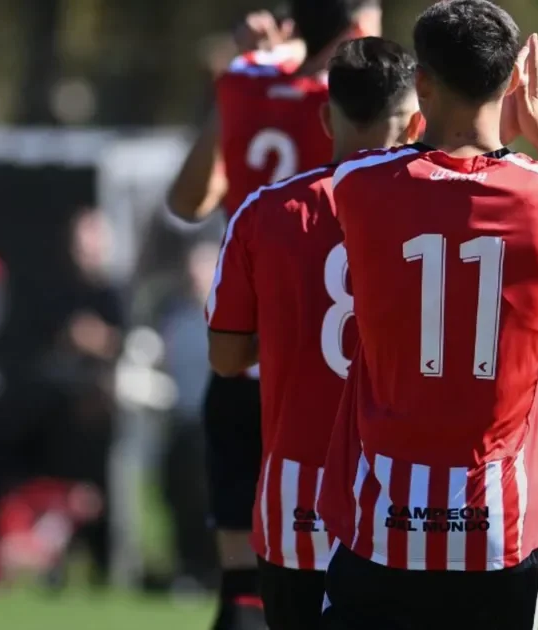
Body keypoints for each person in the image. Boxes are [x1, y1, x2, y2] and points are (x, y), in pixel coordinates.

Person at [318, 2, 538, 627]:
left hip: (385, 519)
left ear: (421, 83)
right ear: (513, 82)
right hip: (496, 529)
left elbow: (406, 173)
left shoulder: (358, 186)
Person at [166, 3, 382, 628]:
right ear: (349, 30)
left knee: (243, 580)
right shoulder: (352, 105)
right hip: (322, 372)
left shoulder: (247, 85)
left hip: (240, 356)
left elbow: (189, 201)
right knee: (339, 576)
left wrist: (245, 78)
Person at [207, 37, 423, 629]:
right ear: (414, 124)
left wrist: (286, 336)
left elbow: (226, 358)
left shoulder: (262, 212)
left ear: (326, 116)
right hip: (396, 486)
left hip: (296, 487)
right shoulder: (432, 215)